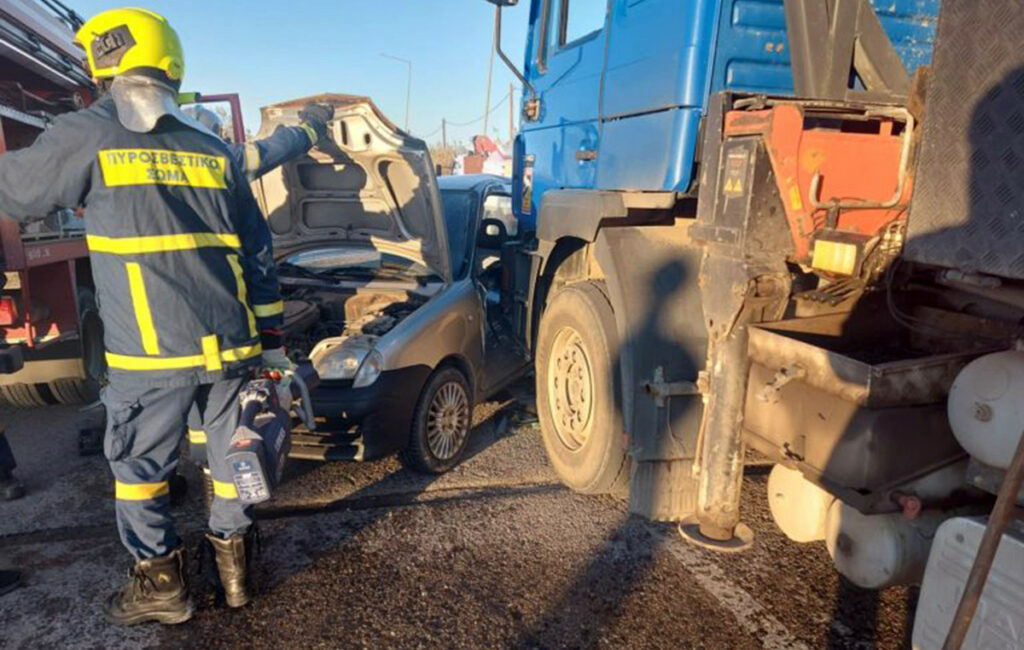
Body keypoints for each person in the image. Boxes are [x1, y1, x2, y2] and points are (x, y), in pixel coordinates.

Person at [0, 8, 291, 625]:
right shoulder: (213, 146)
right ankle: (236, 576)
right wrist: (271, 342)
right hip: (232, 345)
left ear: (105, 63)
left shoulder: (92, 131)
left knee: (138, 469)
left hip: (149, 356)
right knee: (235, 457)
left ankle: (162, 588)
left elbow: (16, 192)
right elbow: (258, 252)